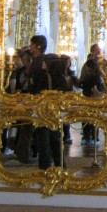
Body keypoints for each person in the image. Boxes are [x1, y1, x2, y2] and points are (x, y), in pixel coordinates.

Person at [28, 35, 63, 170]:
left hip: (42, 104)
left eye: (32, 44)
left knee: (44, 137)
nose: (30, 47)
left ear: (37, 46)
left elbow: (35, 83)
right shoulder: (37, 61)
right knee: (53, 137)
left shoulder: (39, 62)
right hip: (46, 105)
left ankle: (45, 167)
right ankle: (59, 164)